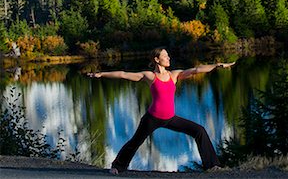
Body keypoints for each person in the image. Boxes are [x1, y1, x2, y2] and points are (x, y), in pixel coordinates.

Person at [87, 47, 236, 175]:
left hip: (170, 118)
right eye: (165, 56)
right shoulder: (150, 76)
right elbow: (123, 74)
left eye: (168, 56)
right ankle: (117, 166)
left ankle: (212, 165)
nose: (168, 58)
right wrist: (102, 74)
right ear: (157, 59)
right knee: (135, 142)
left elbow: (196, 70)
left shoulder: (174, 75)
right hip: (152, 118)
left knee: (199, 130)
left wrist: (216, 65)